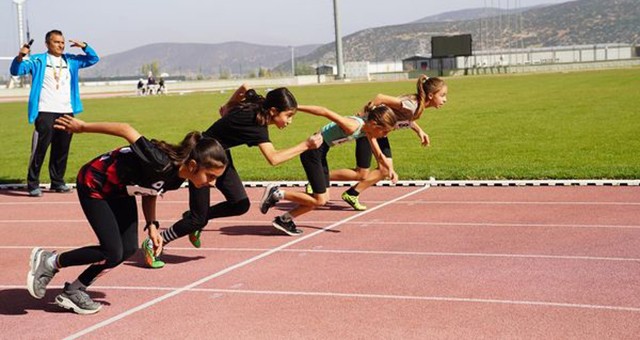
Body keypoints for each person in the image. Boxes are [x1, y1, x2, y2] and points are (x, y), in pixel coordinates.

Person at [26, 115, 228, 314]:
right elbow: (125, 129)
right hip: (94, 183)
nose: (212, 183)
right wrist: (82, 127)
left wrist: (152, 226)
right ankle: (50, 261)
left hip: (119, 191)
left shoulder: (175, 178)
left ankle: (74, 290)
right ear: (192, 166)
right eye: (210, 176)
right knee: (112, 251)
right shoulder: (160, 161)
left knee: (129, 248)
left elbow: (151, 190)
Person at [140, 85, 323, 268]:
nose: (290, 121)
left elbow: (245, 87)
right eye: (288, 115)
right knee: (198, 219)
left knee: (240, 204)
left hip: (220, 156)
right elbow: (273, 159)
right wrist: (306, 145)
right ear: (273, 111)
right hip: (203, 159)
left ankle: (194, 218)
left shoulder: (256, 105)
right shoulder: (258, 126)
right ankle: (156, 241)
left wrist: (228, 106)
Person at [259, 103, 397, 236]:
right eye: (384, 131)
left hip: (320, 154)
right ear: (374, 124)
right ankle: (276, 193)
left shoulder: (367, 130)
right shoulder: (353, 125)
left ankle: (284, 220)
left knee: (323, 198)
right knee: (320, 200)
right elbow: (324, 111)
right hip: (312, 153)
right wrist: (295, 107)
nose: (385, 135)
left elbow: (379, 154)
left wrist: (390, 169)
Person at [330, 75, 448, 211]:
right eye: (443, 95)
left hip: (381, 132)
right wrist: (362, 115)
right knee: (362, 173)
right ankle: (320, 179)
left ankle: (351, 193)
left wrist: (419, 131)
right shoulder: (411, 105)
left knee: (383, 170)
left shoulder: (417, 107)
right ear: (431, 95)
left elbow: (406, 119)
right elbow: (380, 98)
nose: (445, 99)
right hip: (370, 130)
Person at [9, 29, 99, 197]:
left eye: (62, 42)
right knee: (40, 149)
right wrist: (20, 57)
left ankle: (57, 182)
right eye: (57, 42)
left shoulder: (71, 60)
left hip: (66, 111)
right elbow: (16, 71)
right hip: (45, 110)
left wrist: (85, 46)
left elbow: (93, 59)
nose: (61, 45)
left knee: (62, 149)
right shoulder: (37, 60)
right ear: (47, 44)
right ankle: (33, 183)